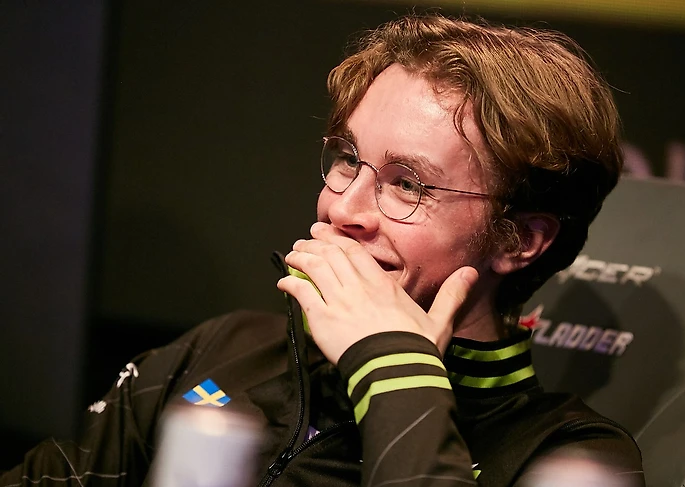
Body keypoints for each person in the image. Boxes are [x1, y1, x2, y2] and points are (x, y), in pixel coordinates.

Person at [1, 13, 644, 487]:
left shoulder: (572, 457)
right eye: (347, 160)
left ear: (518, 239)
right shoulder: (223, 348)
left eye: (408, 184)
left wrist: (396, 375)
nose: (342, 209)